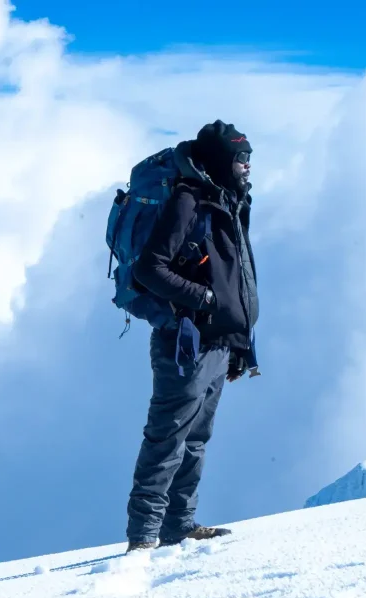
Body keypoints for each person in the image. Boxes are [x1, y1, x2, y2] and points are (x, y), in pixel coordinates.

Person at [124, 120, 260, 552]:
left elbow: (237, 278)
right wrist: (203, 299)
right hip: (185, 342)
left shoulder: (230, 200)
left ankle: (178, 526)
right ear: (221, 161)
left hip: (218, 343)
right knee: (167, 437)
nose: (247, 165)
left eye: (248, 157)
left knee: (196, 439)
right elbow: (149, 269)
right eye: (240, 158)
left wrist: (240, 345)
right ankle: (143, 536)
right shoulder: (188, 200)